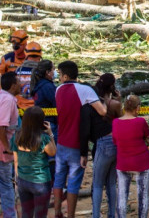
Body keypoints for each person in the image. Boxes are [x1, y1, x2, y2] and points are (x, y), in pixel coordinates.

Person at [54, 61, 108, 218]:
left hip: (61, 141)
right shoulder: (84, 90)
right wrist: (106, 100)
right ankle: (70, 214)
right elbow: (103, 112)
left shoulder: (58, 90)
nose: (58, 78)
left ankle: (57, 211)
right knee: (73, 182)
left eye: (59, 74)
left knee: (58, 178)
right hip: (76, 143)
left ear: (65, 76)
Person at [80, 74, 122, 218]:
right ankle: (112, 214)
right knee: (111, 183)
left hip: (103, 143)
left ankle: (96, 215)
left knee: (97, 184)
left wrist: (83, 153)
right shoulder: (110, 103)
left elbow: (84, 132)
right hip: (115, 142)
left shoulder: (87, 107)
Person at [12, 106, 56, 218]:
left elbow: (16, 160)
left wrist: (17, 179)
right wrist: (51, 134)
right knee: (40, 215)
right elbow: (53, 152)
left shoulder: (16, 136)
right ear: (40, 122)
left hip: (23, 180)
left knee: (26, 213)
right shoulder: (43, 139)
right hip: (40, 181)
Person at [112, 94, 149, 218]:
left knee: (122, 196)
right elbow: (147, 134)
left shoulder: (116, 122)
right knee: (143, 196)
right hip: (141, 162)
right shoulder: (140, 121)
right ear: (137, 108)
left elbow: (115, 141)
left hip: (123, 162)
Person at [32, 60, 57, 179]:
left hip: (41, 122)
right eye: (53, 69)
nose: (54, 72)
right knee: (51, 155)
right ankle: (51, 183)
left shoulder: (39, 85)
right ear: (47, 72)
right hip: (49, 123)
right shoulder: (47, 86)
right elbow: (56, 105)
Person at [0, 72, 19, 218]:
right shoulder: (8, 100)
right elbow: (2, 126)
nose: (21, 84)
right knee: (6, 185)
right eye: (18, 82)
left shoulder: (2, 96)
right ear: (13, 85)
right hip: (2, 151)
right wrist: (7, 147)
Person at [16, 41, 42, 110]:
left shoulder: (18, 71)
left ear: (26, 54)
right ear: (40, 55)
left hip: (21, 108)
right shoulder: (44, 71)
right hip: (38, 109)